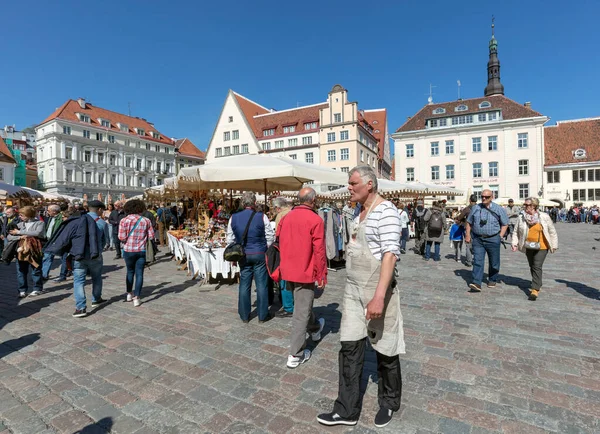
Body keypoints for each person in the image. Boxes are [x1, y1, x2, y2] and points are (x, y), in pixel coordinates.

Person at [318, 166, 404, 428]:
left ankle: (389, 402)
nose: (349, 187)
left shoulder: (386, 211)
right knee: (349, 347)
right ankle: (346, 410)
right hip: (353, 291)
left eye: (353, 182)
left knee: (386, 349)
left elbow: (390, 254)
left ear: (369, 184)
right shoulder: (358, 211)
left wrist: (378, 297)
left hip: (379, 291)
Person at [277, 188, 327, 368]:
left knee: (303, 305)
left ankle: (314, 328)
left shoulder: (286, 217)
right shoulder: (315, 219)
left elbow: (278, 239)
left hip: (288, 269)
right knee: (300, 312)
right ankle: (295, 354)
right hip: (304, 271)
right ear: (312, 200)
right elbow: (319, 251)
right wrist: (322, 274)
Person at [226, 192, 275, 323]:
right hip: (259, 253)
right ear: (254, 203)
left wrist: (233, 256)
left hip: (243, 254)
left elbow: (230, 239)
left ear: (243, 203)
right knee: (261, 285)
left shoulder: (233, 218)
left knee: (244, 284)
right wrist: (266, 249)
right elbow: (270, 236)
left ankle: (244, 315)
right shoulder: (261, 216)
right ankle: (263, 315)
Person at [511, 197, 558, 301]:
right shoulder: (521, 217)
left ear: (534, 206)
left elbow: (552, 231)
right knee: (532, 265)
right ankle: (538, 281)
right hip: (528, 245)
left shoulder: (544, 217)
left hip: (542, 246)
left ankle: (535, 289)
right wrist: (514, 243)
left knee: (537, 265)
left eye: (528, 205)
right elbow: (516, 231)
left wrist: (554, 245)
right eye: (525, 205)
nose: (526, 207)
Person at [465, 189, 509, 292]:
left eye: (487, 197)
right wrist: (467, 235)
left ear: (492, 197)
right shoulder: (475, 208)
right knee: (477, 261)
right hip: (478, 239)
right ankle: (477, 282)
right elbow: (469, 222)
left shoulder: (498, 209)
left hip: (493, 238)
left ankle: (492, 278)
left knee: (494, 262)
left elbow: (505, 224)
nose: (484, 198)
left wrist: (500, 236)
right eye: (482, 196)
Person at [71, 200, 107, 317]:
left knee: (78, 281)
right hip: (95, 255)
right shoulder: (101, 223)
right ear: (100, 210)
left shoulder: (78, 220)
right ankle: (96, 299)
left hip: (79, 255)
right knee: (96, 277)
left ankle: (80, 307)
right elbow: (105, 241)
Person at [118, 200, 155, 307]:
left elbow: (121, 237)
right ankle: (137, 298)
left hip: (128, 250)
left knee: (130, 271)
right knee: (139, 274)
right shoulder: (146, 220)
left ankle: (129, 293)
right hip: (141, 250)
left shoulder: (124, 220)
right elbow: (152, 236)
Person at [8, 206, 45, 298]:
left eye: (22, 215)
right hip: (21, 250)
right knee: (21, 270)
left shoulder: (39, 223)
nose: (20, 216)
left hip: (35, 249)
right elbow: (9, 236)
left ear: (28, 215)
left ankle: (37, 289)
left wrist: (19, 232)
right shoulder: (20, 224)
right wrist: (19, 236)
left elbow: (38, 233)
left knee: (36, 269)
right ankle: (22, 290)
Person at [272, 197, 294, 318]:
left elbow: (278, 235)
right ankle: (294, 304)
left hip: (285, 250)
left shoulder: (281, 215)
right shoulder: (294, 211)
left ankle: (288, 307)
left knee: (285, 279)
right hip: (296, 250)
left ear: (277, 207)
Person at [41, 204, 63, 280]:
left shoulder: (61, 218)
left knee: (49, 257)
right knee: (47, 257)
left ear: (54, 211)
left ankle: (44, 274)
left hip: (55, 240)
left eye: (49, 210)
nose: (47, 212)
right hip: (47, 240)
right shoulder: (50, 217)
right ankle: (44, 274)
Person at [457, 195, 478, 266]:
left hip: (468, 228)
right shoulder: (480, 208)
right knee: (477, 244)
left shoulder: (467, 209)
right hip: (478, 229)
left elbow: (459, 217)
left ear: (470, 200)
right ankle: (476, 260)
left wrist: (463, 219)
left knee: (468, 245)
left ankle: (469, 261)